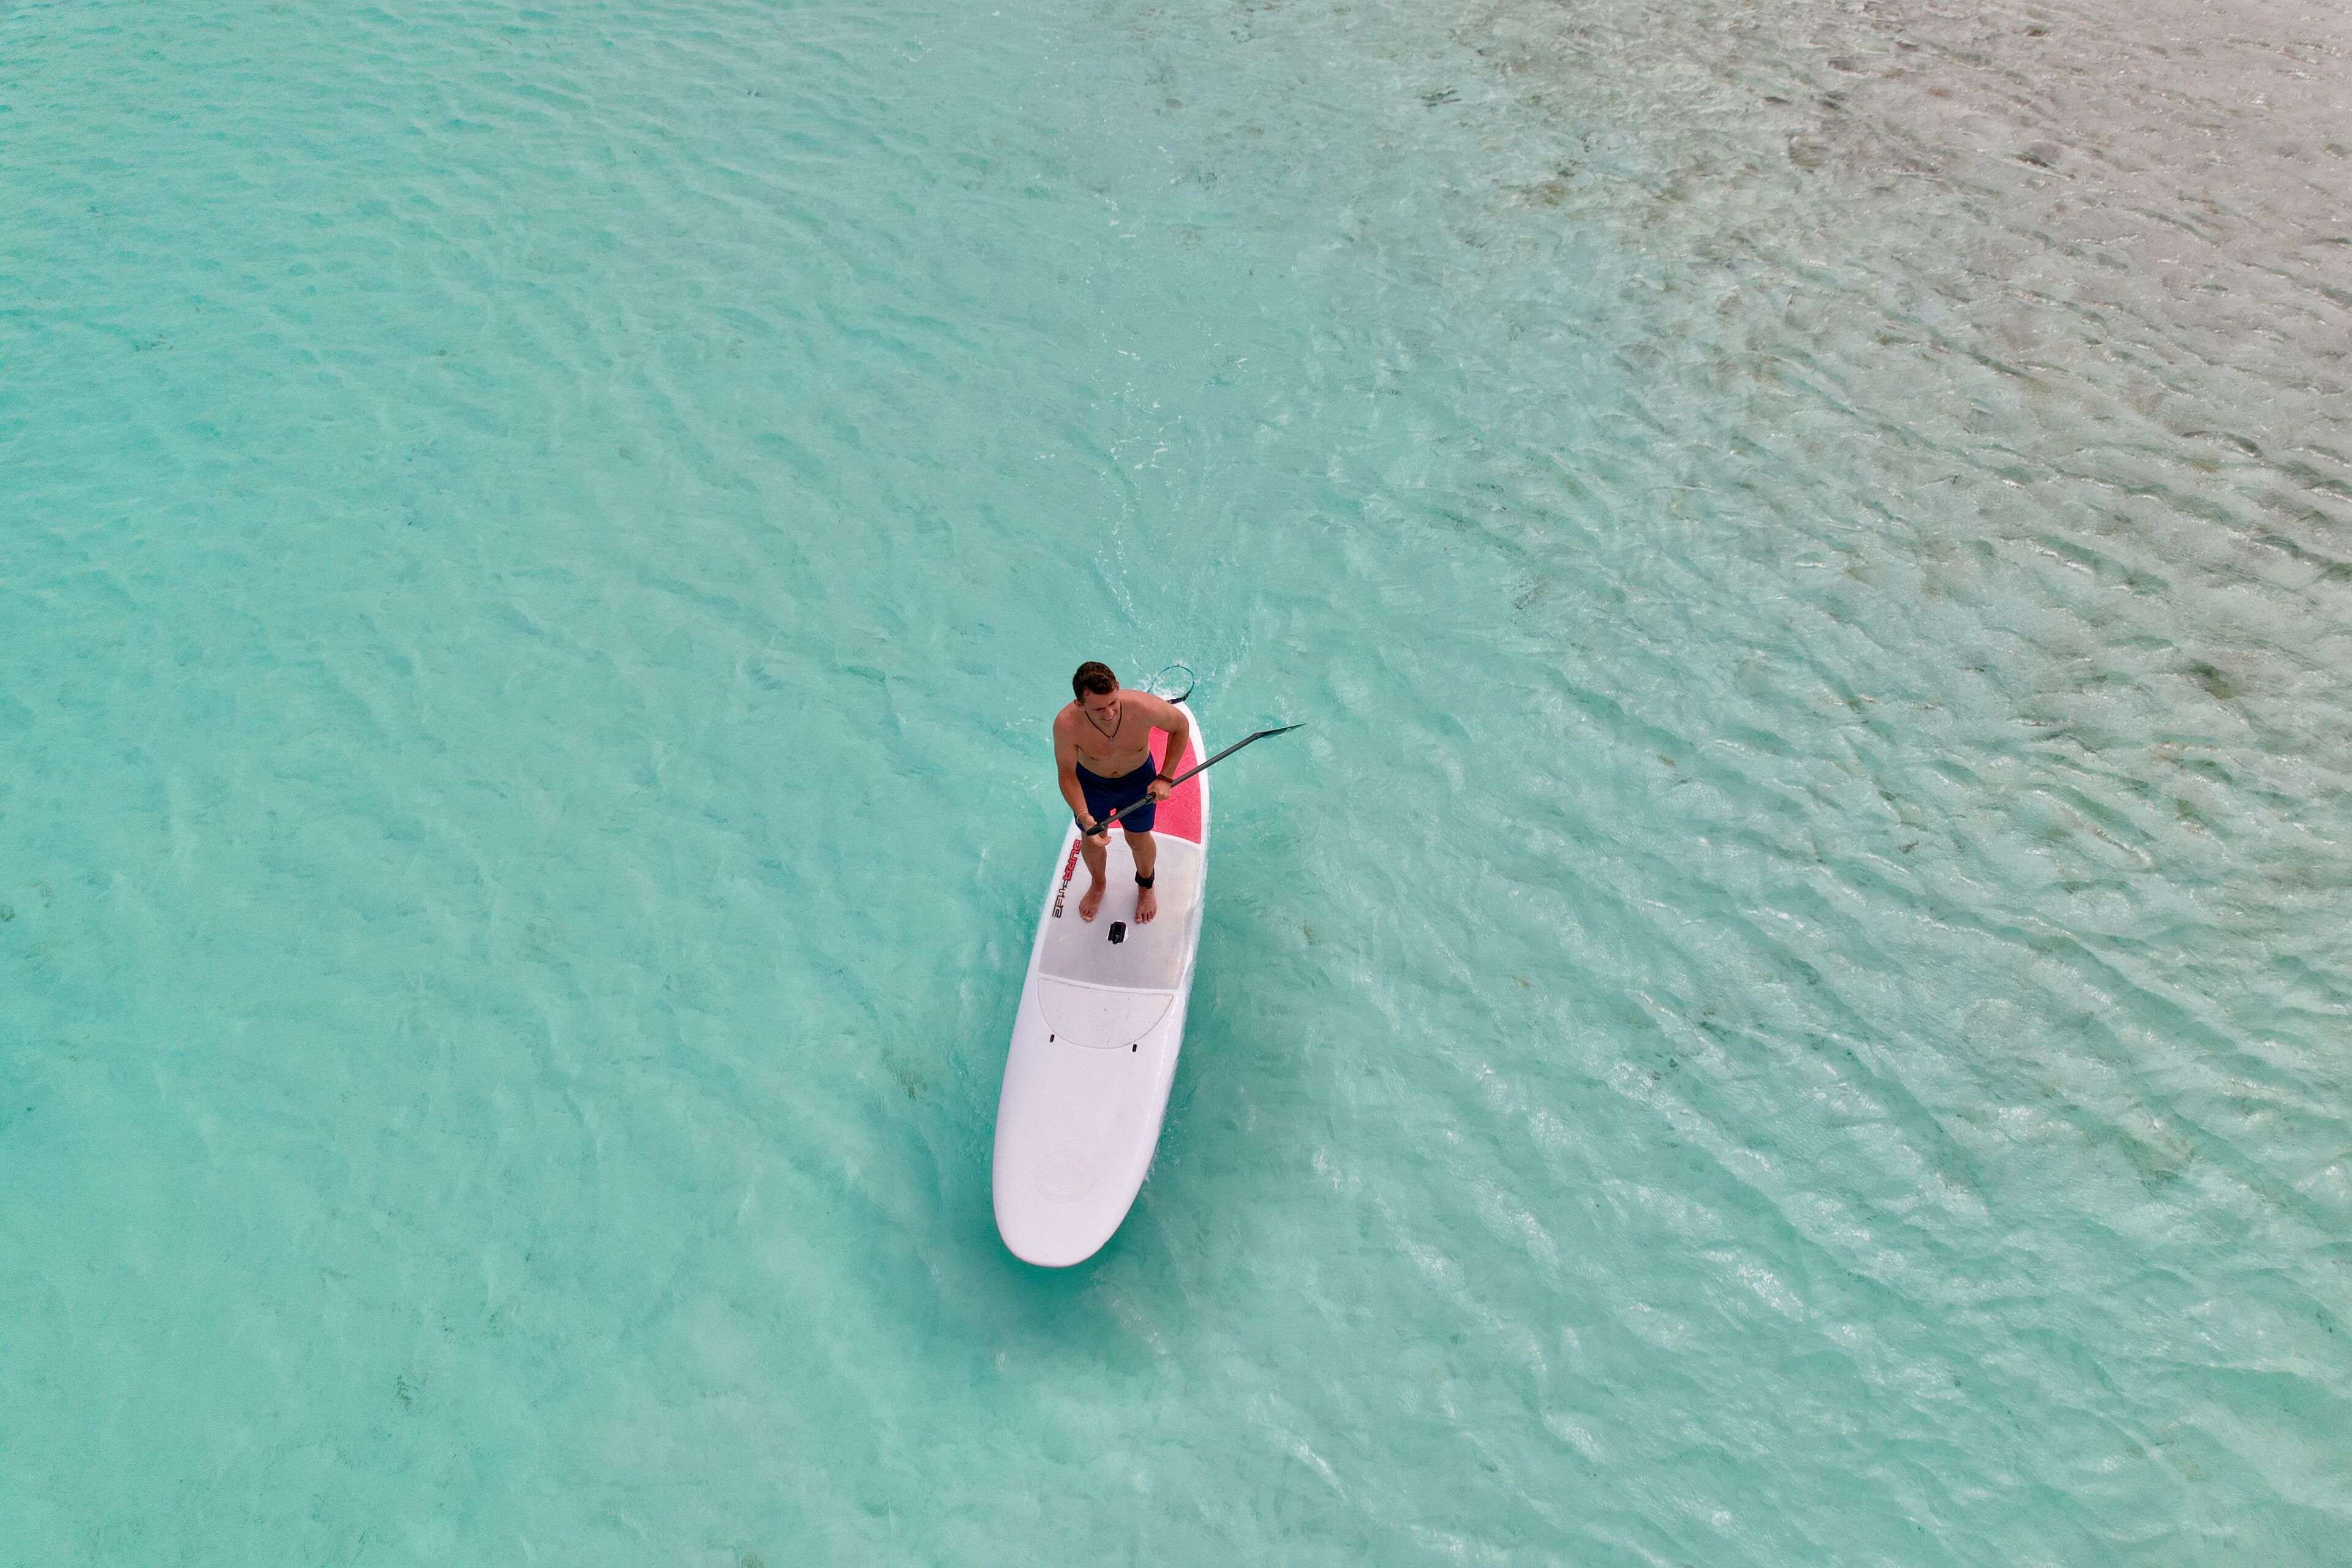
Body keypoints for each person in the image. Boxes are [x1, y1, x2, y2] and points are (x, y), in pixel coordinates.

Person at [1054, 661, 1191, 924]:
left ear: (1118, 688)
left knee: (1138, 839)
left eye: (1113, 703)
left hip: (1138, 780)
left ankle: (1146, 885)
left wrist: (1165, 777)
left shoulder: (1143, 707)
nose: (1108, 714)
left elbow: (1180, 726)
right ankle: (1098, 884)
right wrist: (1083, 815)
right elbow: (1067, 774)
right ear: (1079, 705)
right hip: (1092, 784)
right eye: (1098, 709)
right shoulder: (1066, 725)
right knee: (1092, 839)